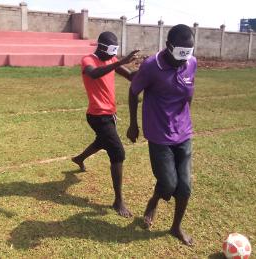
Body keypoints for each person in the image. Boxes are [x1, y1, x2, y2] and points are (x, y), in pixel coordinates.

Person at [126, 24, 197, 245]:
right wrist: (133, 124)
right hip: (159, 134)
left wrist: (184, 118)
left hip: (183, 133)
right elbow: (133, 91)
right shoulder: (151, 66)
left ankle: (176, 227)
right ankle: (154, 200)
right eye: (180, 54)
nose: (184, 60)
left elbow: (189, 93)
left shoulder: (191, 63)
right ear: (168, 46)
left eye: (188, 54)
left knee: (184, 186)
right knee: (168, 185)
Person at [71, 31, 139, 218]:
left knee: (102, 142)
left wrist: (149, 67)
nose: (113, 54)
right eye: (111, 50)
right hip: (97, 116)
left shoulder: (111, 59)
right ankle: (118, 201)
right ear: (101, 47)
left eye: (115, 51)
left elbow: (132, 76)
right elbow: (93, 74)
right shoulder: (88, 60)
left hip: (110, 114)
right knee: (118, 152)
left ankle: (79, 158)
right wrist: (119, 62)